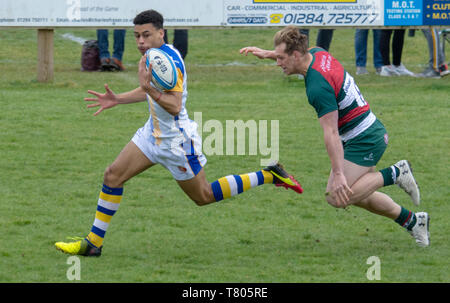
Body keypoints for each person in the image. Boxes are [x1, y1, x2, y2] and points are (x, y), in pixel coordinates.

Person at [54, 10, 303, 257]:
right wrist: (117, 99)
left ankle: (268, 175)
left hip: (176, 143)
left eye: (146, 35)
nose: (141, 41)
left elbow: (172, 104)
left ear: (161, 33)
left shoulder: (169, 61)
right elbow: (149, 90)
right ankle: (93, 243)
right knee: (112, 176)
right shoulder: (152, 56)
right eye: (137, 36)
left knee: (203, 196)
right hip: (152, 135)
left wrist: (148, 90)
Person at [240, 26, 430, 247]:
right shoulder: (319, 52)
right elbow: (301, 50)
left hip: (366, 137)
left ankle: (396, 172)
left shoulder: (317, 86)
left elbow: (330, 132)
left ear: (295, 55)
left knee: (335, 194)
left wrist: (339, 173)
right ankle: (414, 221)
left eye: (281, 58)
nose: (278, 63)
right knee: (360, 194)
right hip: (362, 132)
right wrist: (268, 53)